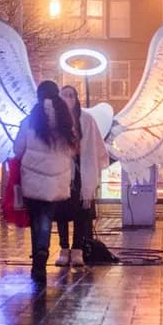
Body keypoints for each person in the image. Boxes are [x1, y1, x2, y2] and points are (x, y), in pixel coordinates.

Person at [13, 80, 77, 282]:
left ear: (39, 95)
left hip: (32, 178)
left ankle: (38, 258)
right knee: (47, 219)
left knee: (36, 220)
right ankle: (42, 253)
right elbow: (72, 149)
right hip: (56, 179)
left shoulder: (30, 119)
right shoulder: (65, 118)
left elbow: (18, 149)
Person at [54, 84, 110, 267]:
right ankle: (63, 248)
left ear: (77, 98)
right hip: (61, 173)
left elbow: (96, 145)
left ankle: (77, 249)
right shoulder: (54, 119)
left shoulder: (87, 119)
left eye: (71, 95)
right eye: (64, 95)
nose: (68, 99)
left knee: (80, 213)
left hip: (80, 174)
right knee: (61, 213)